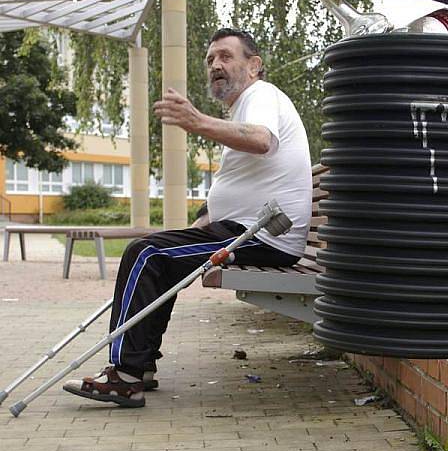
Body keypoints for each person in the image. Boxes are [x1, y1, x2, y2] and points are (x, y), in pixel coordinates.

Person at [63, 27, 312, 408]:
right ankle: (139, 366)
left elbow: (262, 140)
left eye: (226, 56)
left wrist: (195, 121)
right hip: (246, 230)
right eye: (211, 59)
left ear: (254, 65)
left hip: (262, 236)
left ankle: (124, 375)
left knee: (145, 254)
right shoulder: (246, 104)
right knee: (159, 260)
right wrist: (205, 218)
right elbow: (246, 179)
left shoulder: (260, 95)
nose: (216, 64)